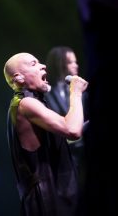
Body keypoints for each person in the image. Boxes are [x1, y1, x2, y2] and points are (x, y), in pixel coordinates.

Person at [3, 52, 88, 216]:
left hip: (56, 198)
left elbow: (62, 140)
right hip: (49, 202)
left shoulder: (33, 102)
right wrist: (76, 93)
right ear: (18, 78)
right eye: (34, 64)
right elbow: (72, 130)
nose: (43, 65)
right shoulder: (25, 104)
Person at [44, 46, 89, 215]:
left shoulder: (83, 94)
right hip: (62, 162)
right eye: (71, 62)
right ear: (60, 64)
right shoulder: (46, 95)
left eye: (76, 61)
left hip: (84, 156)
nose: (76, 66)